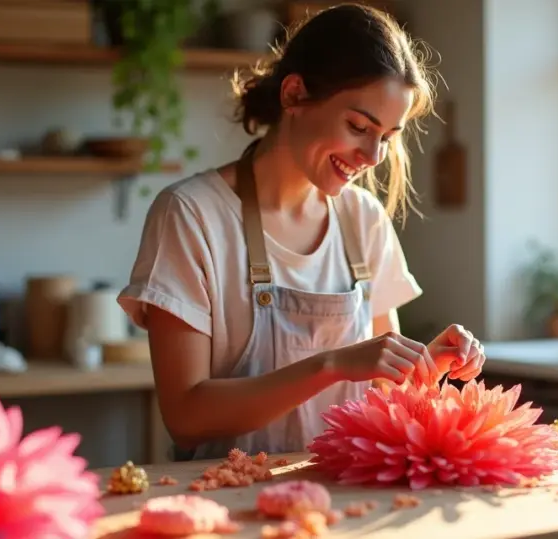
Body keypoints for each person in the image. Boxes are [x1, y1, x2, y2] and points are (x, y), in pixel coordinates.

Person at [118, 3, 487, 461]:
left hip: (348, 504)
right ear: (293, 95)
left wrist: (425, 365)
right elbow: (187, 419)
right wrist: (331, 365)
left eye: (387, 137)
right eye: (358, 126)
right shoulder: (192, 215)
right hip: (229, 509)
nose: (373, 156)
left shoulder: (363, 219)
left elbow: (382, 399)